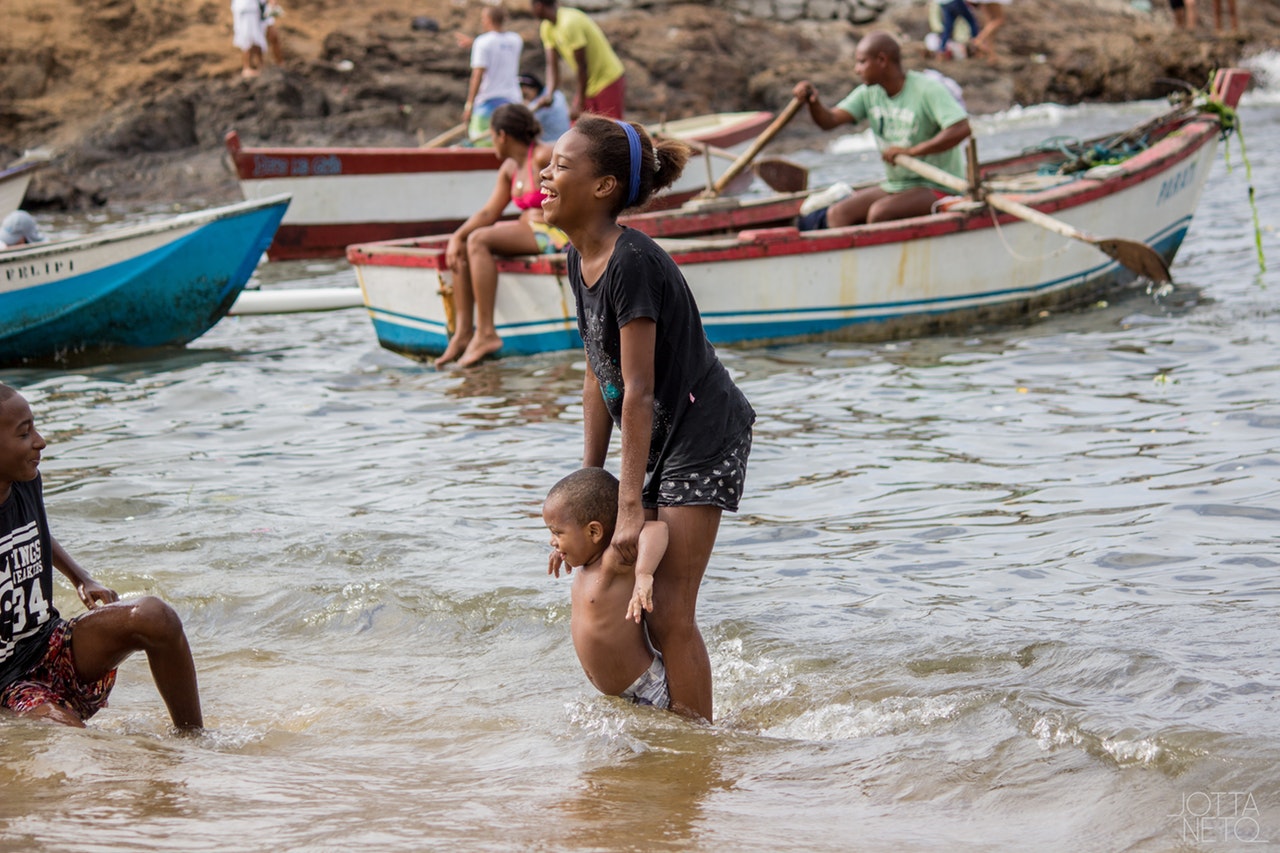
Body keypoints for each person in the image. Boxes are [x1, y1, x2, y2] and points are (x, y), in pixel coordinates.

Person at [540, 115, 756, 722]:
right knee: (642, 591)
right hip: (658, 433)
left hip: (702, 433)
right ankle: (671, 724)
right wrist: (586, 491)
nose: (545, 173)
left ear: (604, 186)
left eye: (561, 164)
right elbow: (597, 372)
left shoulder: (632, 261)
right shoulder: (576, 257)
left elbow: (636, 389)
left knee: (668, 609)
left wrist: (629, 506)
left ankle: (697, 749)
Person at [0, 384, 203, 731]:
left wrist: (80, 577)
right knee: (74, 740)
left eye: (34, 427)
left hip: (48, 641)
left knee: (155, 616)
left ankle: (194, 741)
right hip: (7, 683)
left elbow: (35, 530)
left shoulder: (25, 480)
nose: (40, 441)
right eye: (24, 433)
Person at [792, 31, 972, 230]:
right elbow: (829, 121)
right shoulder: (869, 92)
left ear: (882, 60)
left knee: (880, 213)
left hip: (939, 186)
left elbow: (961, 129)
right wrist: (813, 102)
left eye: (861, 62)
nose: (856, 69)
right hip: (898, 185)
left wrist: (912, 152)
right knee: (838, 213)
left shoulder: (927, 89)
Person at [435, 103, 569, 368]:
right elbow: (488, 213)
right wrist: (456, 237)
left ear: (503, 135)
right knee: (465, 243)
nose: (491, 143)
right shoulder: (509, 168)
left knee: (480, 239)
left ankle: (486, 333)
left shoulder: (544, 155)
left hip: (553, 234)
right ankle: (463, 333)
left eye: (491, 136)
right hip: (527, 231)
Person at [543, 467, 671, 709]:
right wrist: (562, 549)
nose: (552, 540)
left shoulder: (611, 562)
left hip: (647, 686)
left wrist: (644, 573)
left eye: (557, 533)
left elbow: (657, 530)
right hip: (623, 694)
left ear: (594, 531)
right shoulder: (587, 565)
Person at [530, 0, 626, 120]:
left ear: (538, 6)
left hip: (607, 79)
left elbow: (582, 66)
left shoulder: (569, 22)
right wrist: (549, 93)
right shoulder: (546, 27)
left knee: (611, 128)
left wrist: (580, 103)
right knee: (578, 128)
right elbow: (551, 65)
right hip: (587, 84)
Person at [456, 4, 524, 145]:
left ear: (488, 20)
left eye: (482, 18)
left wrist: (469, 105)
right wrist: (474, 43)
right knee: (509, 144)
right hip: (513, 101)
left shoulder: (482, 42)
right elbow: (498, 45)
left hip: (488, 103)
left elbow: (477, 76)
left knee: (481, 144)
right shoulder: (516, 40)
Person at [519, 72, 571, 142]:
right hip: (565, 139)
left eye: (525, 95)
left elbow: (522, 118)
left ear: (534, 89)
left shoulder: (540, 102)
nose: (524, 99)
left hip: (550, 143)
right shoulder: (557, 93)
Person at [231, 0, 267, 78]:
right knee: (247, 40)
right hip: (245, 12)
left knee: (257, 39)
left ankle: (259, 65)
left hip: (253, 12)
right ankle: (246, 67)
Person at [263, 0, 285, 66]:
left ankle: (280, 62)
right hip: (251, 11)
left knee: (274, 36)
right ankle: (260, 65)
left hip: (263, 9)